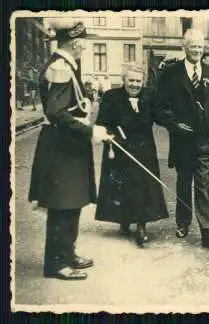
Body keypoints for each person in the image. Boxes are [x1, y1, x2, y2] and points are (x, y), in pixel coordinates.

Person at [28, 19, 112, 280]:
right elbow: (55, 112)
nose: (85, 47)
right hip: (61, 148)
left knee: (72, 201)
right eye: (84, 42)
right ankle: (56, 263)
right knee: (61, 204)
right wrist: (89, 131)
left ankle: (67, 252)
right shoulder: (61, 67)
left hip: (68, 147)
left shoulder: (66, 65)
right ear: (76, 42)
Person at [153, 29, 209, 250]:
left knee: (205, 184)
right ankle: (183, 223)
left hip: (205, 139)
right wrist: (174, 124)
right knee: (184, 182)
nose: (197, 50)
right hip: (183, 140)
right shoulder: (171, 73)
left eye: (200, 46)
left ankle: (208, 231)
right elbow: (159, 107)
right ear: (184, 47)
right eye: (193, 46)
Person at [94, 65, 169, 247]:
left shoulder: (150, 95)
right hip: (120, 146)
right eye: (131, 81)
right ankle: (124, 220)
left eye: (138, 81)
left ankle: (141, 226)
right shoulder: (111, 97)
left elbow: (161, 116)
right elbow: (102, 123)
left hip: (144, 148)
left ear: (143, 82)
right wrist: (112, 138)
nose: (135, 85)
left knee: (143, 186)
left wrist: (175, 122)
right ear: (124, 80)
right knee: (123, 185)